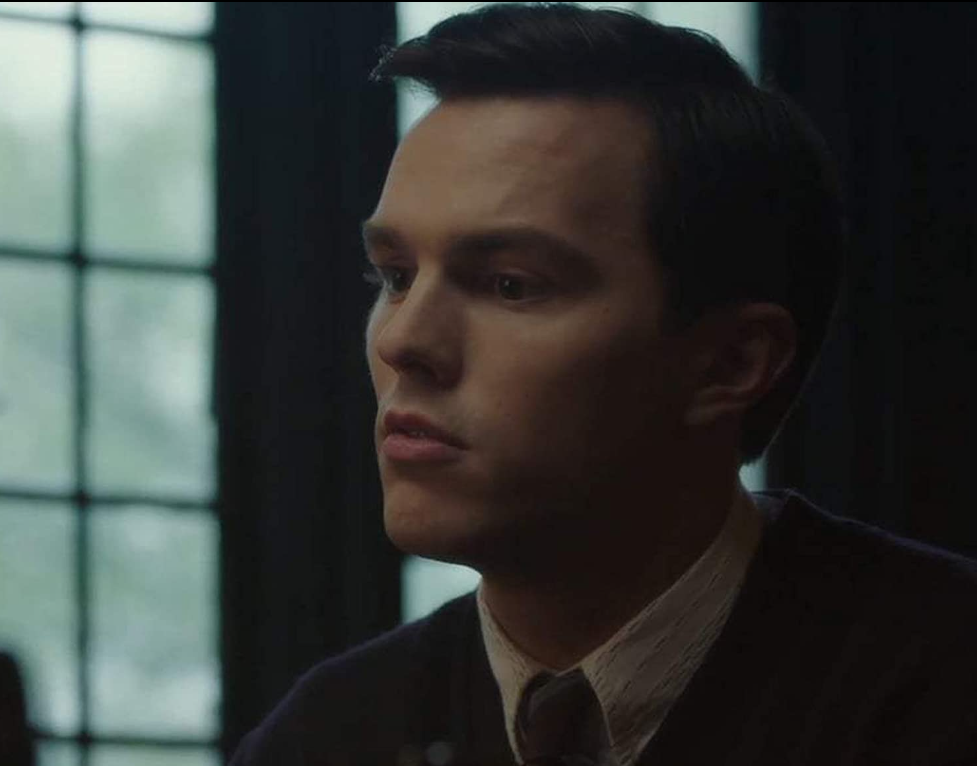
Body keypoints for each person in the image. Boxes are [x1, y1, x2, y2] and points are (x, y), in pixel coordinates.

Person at [229, 4, 977, 765]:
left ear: (730, 363)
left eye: (511, 284)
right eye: (394, 276)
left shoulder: (940, 687)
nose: (401, 342)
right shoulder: (325, 735)